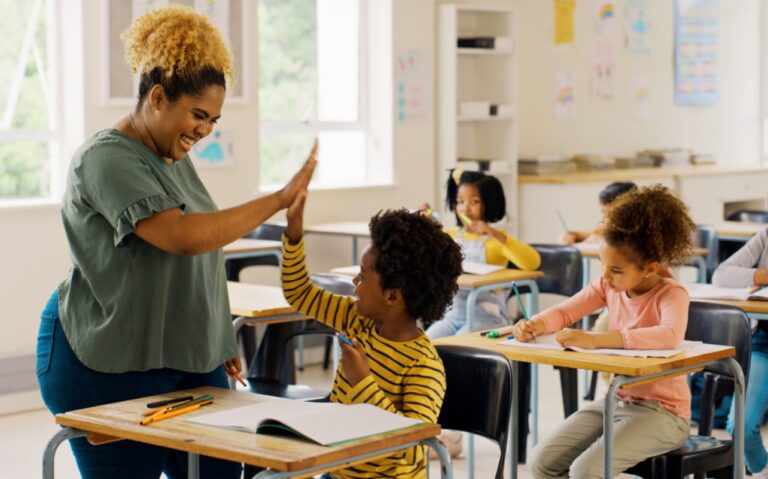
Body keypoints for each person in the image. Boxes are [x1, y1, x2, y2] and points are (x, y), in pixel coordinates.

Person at [35, 6, 315, 479]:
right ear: (158, 97)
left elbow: (205, 244)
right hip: (104, 361)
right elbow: (182, 238)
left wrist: (216, 334)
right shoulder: (105, 159)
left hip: (183, 355)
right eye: (198, 115)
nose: (204, 130)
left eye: (214, 120)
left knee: (221, 473)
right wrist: (278, 200)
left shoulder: (170, 154)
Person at [512, 185, 696, 478]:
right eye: (603, 266)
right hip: (618, 400)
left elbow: (668, 335)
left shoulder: (671, 294)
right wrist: (535, 324)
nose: (605, 277)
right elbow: (565, 311)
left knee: (586, 470)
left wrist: (595, 340)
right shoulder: (607, 286)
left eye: (616, 270)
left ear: (649, 268)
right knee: (540, 463)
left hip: (665, 414)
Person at [281, 190, 463, 479]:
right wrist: (293, 236)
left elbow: (412, 446)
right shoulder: (356, 319)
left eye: (363, 276)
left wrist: (362, 382)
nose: (354, 281)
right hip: (337, 473)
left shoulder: (423, 365)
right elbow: (299, 293)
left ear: (392, 296)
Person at [424, 169, 541, 338]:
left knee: (458, 345)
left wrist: (496, 234)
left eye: (474, 202)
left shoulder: (496, 240)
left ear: (488, 204)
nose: (465, 208)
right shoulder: (451, 235)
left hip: (489, 317)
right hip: (454, 314)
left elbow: (533, 262)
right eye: (460, 201)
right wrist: (426, 221)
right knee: (428, 342)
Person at [712, 227, 768, 477]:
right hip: (764, 342)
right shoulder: (766, 236)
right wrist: (762, 275)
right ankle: (762, 469)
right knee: (741, 425)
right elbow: (722, 275)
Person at [559, 181, 637, 245]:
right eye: (604, 213)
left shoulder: (640, 233)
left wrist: (604, 242)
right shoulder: (610, 229)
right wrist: (571, 235)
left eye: (612, 215)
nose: (607, 220)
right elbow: (588, 233)